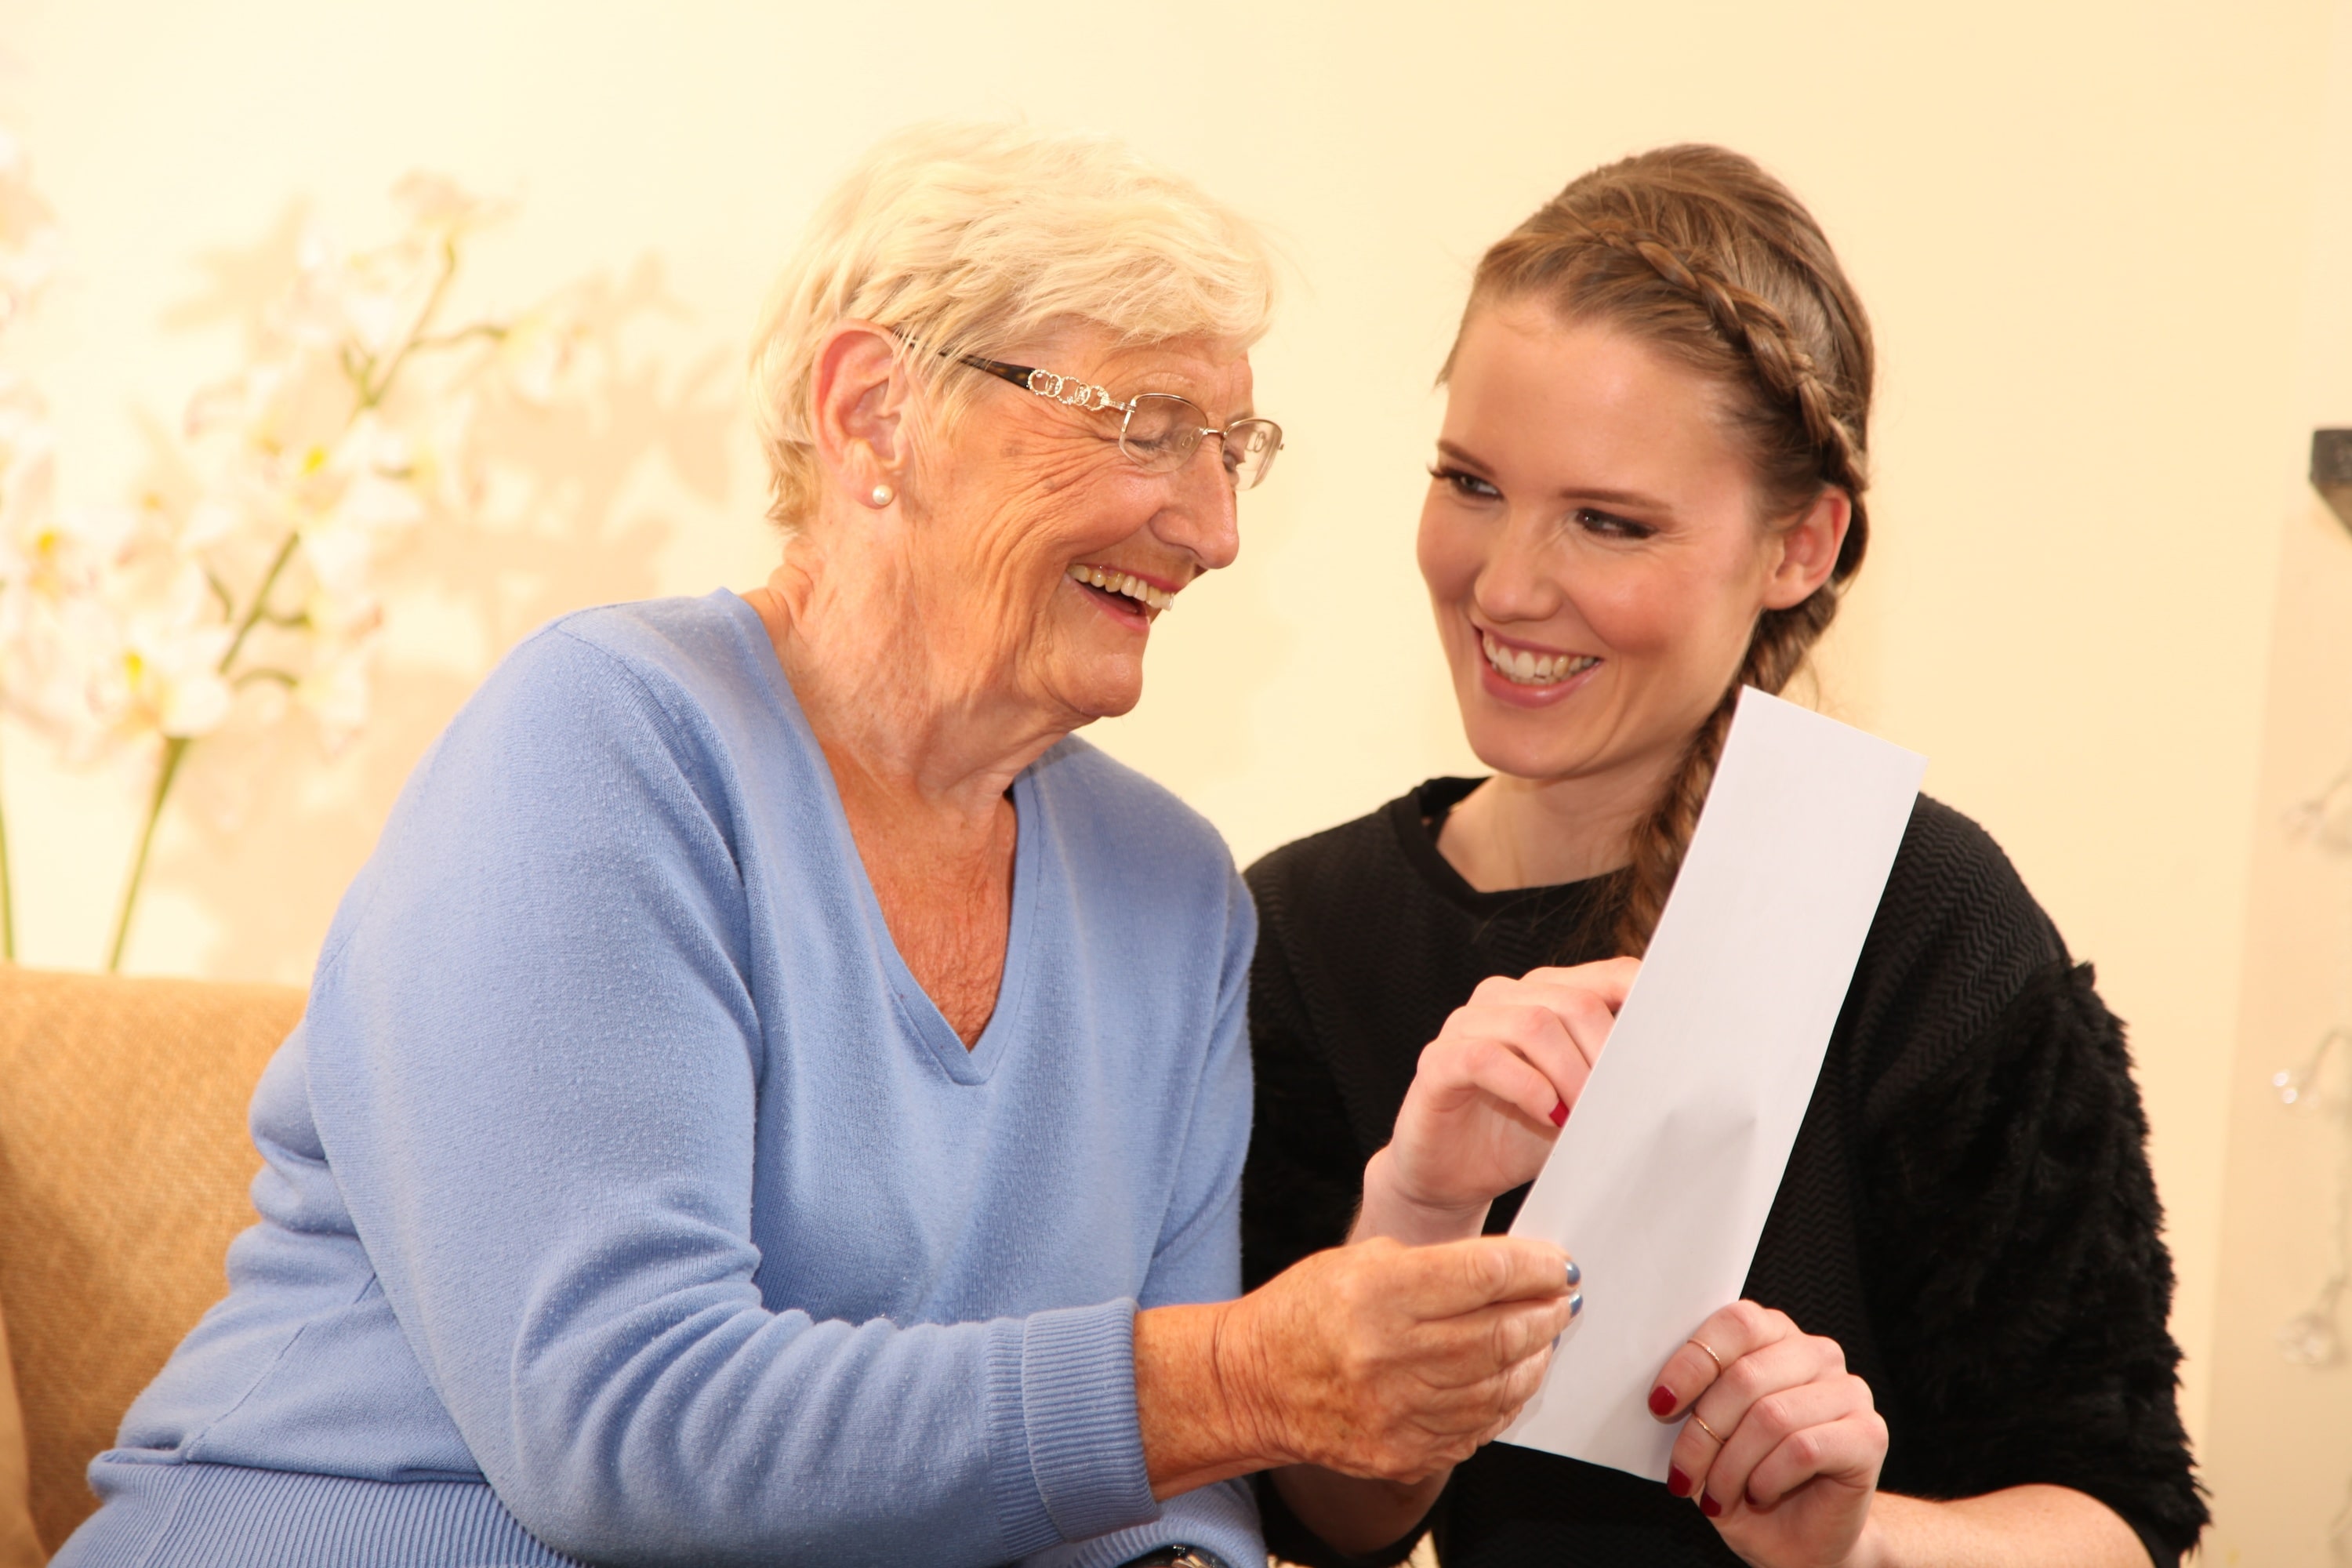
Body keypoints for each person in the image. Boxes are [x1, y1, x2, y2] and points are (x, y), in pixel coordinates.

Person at [53, 122, 1577, 1568]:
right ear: (873, 413)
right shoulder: (608, 737)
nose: (1213, 524)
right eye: (1148, 428)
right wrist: (1241, 1375)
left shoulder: (1172, 892)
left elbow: (1156, 1494)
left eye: (1233, 445)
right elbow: (619, 1421)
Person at [1242, 144, 2208, 1568]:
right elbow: (1327, 1526)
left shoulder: (1924, 917)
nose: (1506, 585)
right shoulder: (1307, 931)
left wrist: (1854, 1540)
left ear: (1800, 545)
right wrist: (1419, 1215)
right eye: (1469, 482)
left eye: (1609, 522)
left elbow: (2115, 1516)